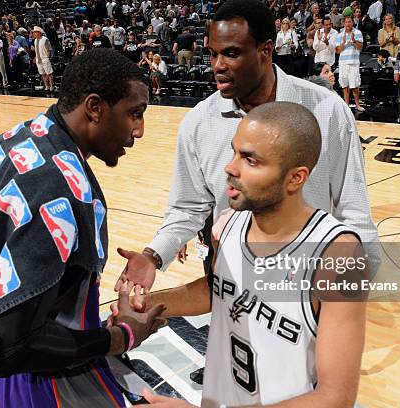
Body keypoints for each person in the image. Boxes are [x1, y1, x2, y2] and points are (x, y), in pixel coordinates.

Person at [116, 0, 379, 304]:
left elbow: (355, 211)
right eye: (213, 54)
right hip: (234, 287)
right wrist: (153, 256)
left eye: (231, 53)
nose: (218, 65)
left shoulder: (328, 110)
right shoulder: (199, 122)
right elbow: (187, 208)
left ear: (266, 51)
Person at [113, 102, 368, 407]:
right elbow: (218, 288)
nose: (230, 167)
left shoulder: (336, 256)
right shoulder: (229, 222)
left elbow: (334, 398)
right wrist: (148, 304)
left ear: (295, 178)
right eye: (234, 152)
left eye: (250, 160)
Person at [0, 49, 164, 407]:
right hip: (50, 381)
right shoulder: (60, 193)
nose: (139, 130)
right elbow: (3, 349)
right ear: (95, 107)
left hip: (15, 377)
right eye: (135, 113)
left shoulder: (13, 138)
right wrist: (123, 335)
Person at [336, 15, 365, 111]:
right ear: (344, 23)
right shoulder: (340, 35)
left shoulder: (358, 32)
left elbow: (360, 47)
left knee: (355, 85)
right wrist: (343, 43)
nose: (348, 24)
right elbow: (338, 51)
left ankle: (357, 105)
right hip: (343, 63)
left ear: (352, 23)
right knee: (345, 85)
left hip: (353, 62)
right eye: (346, 22)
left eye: (350, 22)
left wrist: (354, 41)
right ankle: (346, 105)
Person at [32, 26, 54, 92]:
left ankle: (51, 86)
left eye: (35, 32)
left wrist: (48, 58)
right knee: (43, 74)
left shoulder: (45, 39)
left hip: (45, 59)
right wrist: (35, 57)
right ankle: (46, 86)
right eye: (34, 32)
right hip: (38, 60)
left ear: (39, 33)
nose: (34, 33)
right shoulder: (35, 40)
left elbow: (49, 49)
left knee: (49, 73)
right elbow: (37, 51)